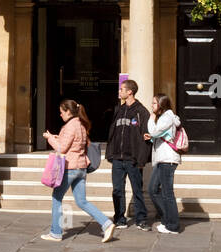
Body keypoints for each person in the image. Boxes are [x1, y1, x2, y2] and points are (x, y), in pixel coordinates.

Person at [41, 99, 117, 243]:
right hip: (81, 167)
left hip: (70, 168)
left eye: (62, 112)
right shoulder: (80, 124)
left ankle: (56, 233)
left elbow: (62, 148)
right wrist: (58, 137)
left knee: (57, 198)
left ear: (68, 112)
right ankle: (107, 224)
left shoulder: (70, 126)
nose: (60, 115)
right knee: (82, 201)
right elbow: (74, 142)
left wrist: (50, 138)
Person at [106, 80, 151, 230]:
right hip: (118, 158)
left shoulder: (142, 112)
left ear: (130, 92)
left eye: (122, 89)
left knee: (137, 190)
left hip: (133, 159)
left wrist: (141, 158)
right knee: (117, 190)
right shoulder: (118, 110)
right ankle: (119, 219)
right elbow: (113, 133)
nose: (119, 92)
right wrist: (110, 153)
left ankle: (141, 219)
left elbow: (146, 136)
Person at [143, 93, 182, 235]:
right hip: (162, 159)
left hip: (167, 159)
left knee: (167, 193)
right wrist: (152, 137)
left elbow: (153, 130)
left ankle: (173, 225)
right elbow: (160, 136)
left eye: (154, 103)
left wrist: (152, 117)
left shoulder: (167, 118)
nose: (152, 105)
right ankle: (167, 219)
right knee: (153, 189)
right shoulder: (165, 118)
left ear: (161, 104)